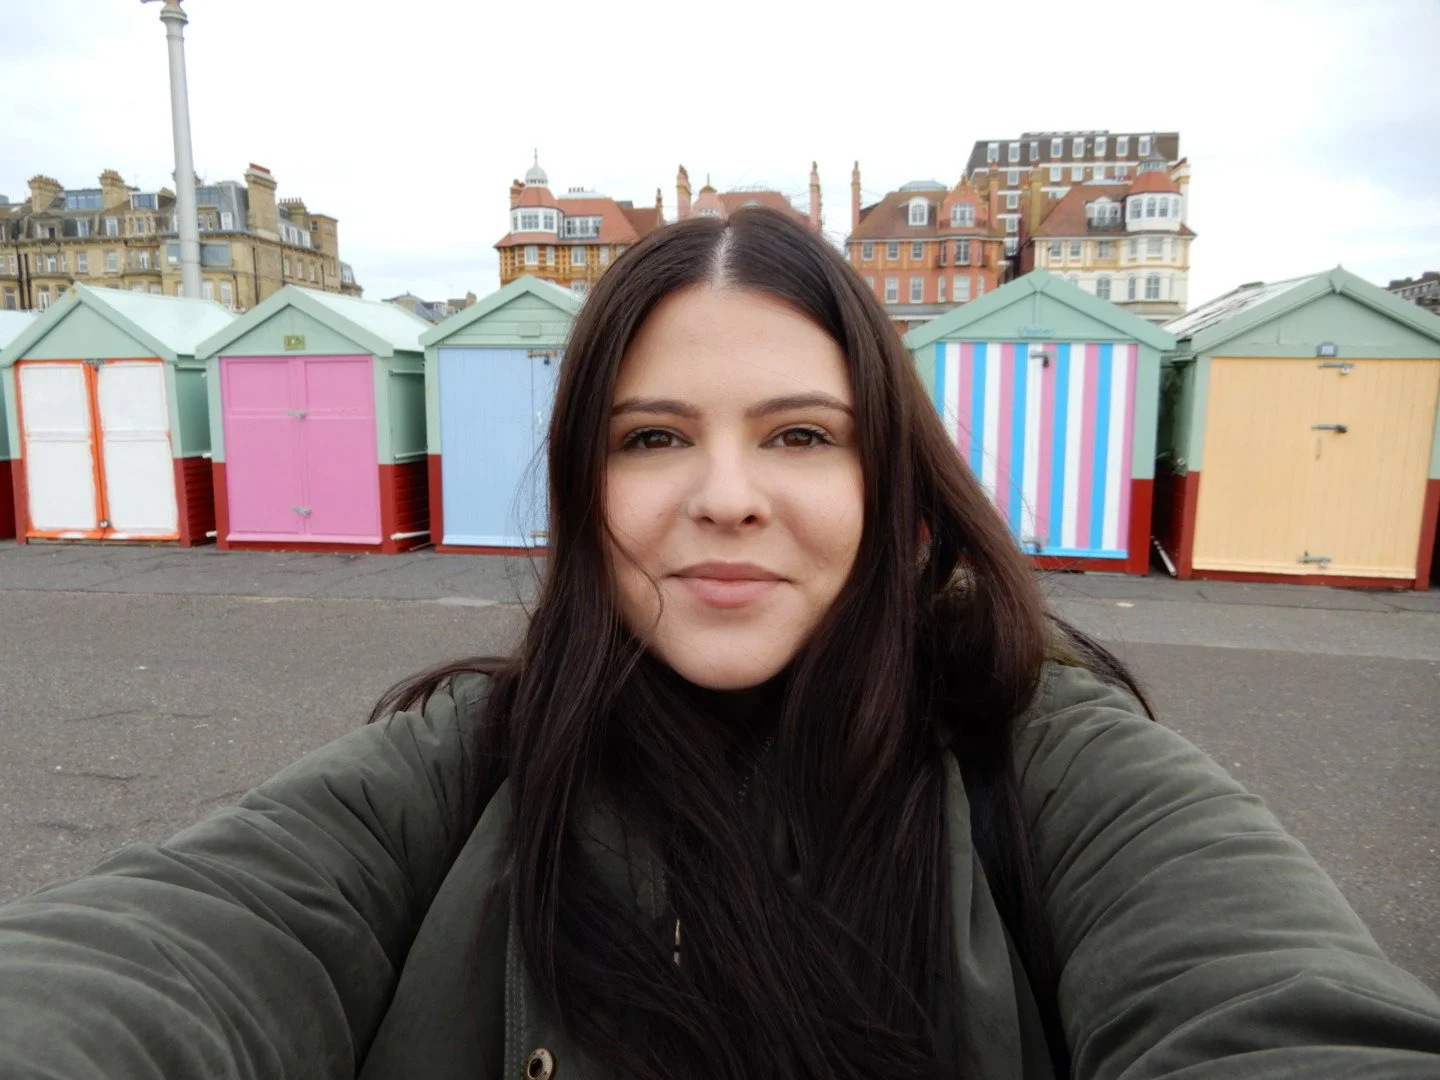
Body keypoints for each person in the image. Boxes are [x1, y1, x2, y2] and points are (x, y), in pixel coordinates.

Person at [1, 208, 1438, 1080]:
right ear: (584, 486)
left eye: (802, 435)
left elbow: (1272, 1000)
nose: (727, 492)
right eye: (653, 438)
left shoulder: (1054, 766)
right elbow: (175, 950)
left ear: (893, 489)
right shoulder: (456, 770)